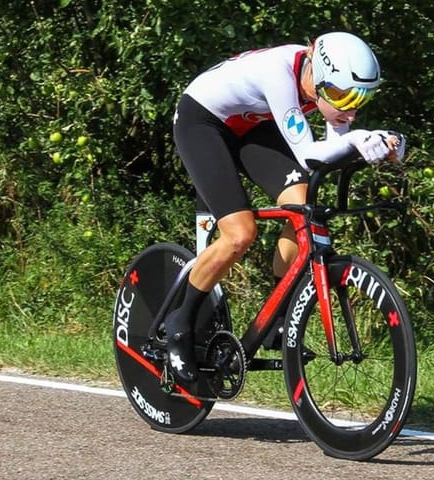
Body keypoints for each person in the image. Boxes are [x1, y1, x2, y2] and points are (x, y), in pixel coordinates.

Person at [168, 31, 405, 384]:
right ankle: (179, 324)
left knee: (302, 209)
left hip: (249, 126)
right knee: (239, 234)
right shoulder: (278, 74)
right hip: (202, 121)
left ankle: (279, 320)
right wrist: (358, 139)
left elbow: (334, 147)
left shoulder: (325, 86)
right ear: (319, 80)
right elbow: (311, 155)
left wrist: (384, 143)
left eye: (362, 98)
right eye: (343, 96)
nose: (350, 108)